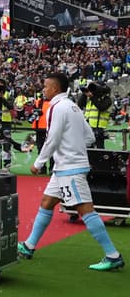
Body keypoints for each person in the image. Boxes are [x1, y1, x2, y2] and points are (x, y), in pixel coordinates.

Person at [18, 72, 125, 271]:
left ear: (55, 89)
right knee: (47, 202)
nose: (43, 89)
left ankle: (113, 255)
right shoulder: (73, 106)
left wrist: (39, 163)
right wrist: (73, 148)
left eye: (45, 86)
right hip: (65, 166)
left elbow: (53, 138)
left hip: (69, 168)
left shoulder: (56, 108)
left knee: (85, 209)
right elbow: (89, 137)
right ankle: (29, 246)